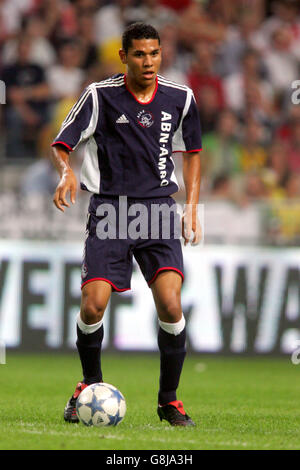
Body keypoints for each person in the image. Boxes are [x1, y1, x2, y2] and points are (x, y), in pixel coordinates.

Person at [50, 22, 202, 427]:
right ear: (123, 56)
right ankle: (89, 384)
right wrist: (66, 171)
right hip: (110, 212)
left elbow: (193, 151)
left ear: (161, 53)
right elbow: (63, 141)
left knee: (171, 305)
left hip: (157, 212)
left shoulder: (180, 97)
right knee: (93, 303)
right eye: (139, 54)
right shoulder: (100, 96)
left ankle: (169, 400)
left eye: (154, 53)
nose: (148, 61)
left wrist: (191, 206)